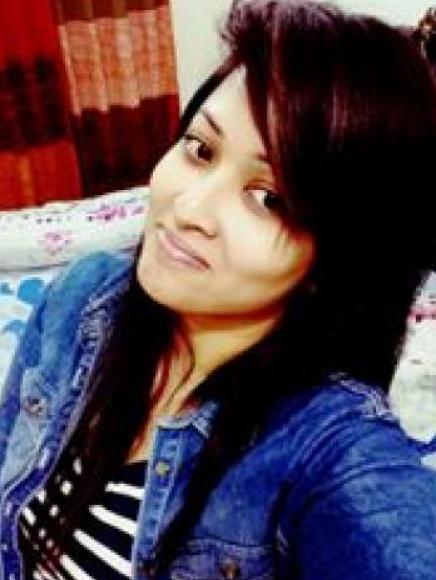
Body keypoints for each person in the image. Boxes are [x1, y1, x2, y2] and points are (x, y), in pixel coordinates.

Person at [1, 0, 436, 578]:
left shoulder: (324, 449)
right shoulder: (82, 297)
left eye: (268, 198)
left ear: (335, 258)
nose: (188, 209)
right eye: (201, 149)